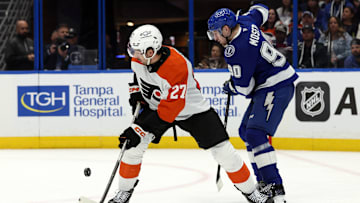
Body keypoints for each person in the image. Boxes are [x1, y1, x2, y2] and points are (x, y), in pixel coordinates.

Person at [108, 24, 273, 203]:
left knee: (225, 153)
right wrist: (136, 92)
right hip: (158, 107)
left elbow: (170, 110)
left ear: (150, 52)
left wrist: (138, 130)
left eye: (137, 51)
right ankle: (124, 192)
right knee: (132, 148)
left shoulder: (177, 66)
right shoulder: (139, 59)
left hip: (191, 110)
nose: (134, 56)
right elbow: (138, 76)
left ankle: (251, 192)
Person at [207, 3, 298, 203]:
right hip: (271, 83)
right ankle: (263, 182)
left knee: (255, 133)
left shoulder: (236, 51)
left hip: (277, 85)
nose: (215, 39)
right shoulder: (245, 21)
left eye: (216, 34)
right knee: (245, 131)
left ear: (226, 29)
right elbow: (262, 9)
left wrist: (232, 86)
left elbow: (245, 88)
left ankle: (275, 186)